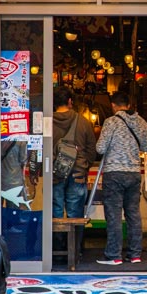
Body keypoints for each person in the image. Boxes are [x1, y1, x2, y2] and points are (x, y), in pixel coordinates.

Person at [95, 91, 147, 265]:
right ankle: (135, 254)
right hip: (134, 173)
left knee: (114, 215)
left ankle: (114, 255)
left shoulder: (110, 122)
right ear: (128, 104)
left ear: (113, 105)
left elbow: (100, 148)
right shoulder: (141, 122)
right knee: (133, 214)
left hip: (114, 173)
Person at [51, 86, 96, 257]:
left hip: (55, 174)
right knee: (75, 213)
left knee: (55, 212)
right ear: (70, 101)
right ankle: (75, 251)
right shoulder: (83, 122)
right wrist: (84, 166)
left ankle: (56, 249)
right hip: (77, 174)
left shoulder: (47, 122)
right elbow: (92, 150)